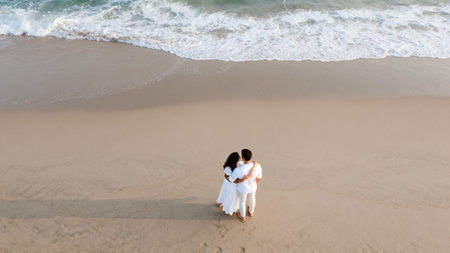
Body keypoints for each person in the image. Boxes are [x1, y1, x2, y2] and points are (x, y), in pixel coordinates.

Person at [227, 149, 262, 222]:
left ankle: (243, 216)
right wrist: (256, 183)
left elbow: (231, 179)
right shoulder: (257, 166)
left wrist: (225, 176)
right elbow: (259, 177)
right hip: (253, 187)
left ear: (243, 158)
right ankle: (251, 212)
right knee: (252, 198)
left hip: (242, 189)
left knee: (242, 202)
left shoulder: (238, 170)